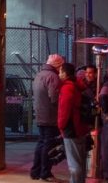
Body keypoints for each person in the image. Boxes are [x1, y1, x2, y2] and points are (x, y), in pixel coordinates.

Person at [30, 54, 64, 182]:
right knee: (48, 145)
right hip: (50, 116)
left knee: (41, 143)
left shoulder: (39, 75)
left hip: (40, 114)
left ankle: (35, 171)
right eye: (60, 65)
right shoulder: (53, 77)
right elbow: (54, 98)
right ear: (57, 65)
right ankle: (45, 172)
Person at [58, 63, 90, 183]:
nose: (59, 74)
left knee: (73, 163)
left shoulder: (67, 87)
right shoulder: (78, 86)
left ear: (65, 74)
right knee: (80, 160)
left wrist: (61, 126)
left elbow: (64, 109)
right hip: (81, 127)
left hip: (71, 127)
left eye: (60, 71)